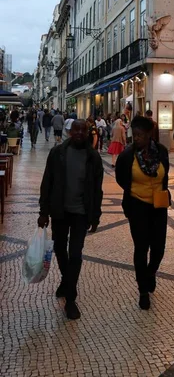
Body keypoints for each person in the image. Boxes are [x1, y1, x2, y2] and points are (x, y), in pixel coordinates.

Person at [38, 120, 103, 320]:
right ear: (69, 131)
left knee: (75, 254)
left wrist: (96, 215)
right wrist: (43, 211)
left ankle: (71, 298)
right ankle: (67, 282)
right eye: (76, 129)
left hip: (81, 213)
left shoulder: (93, 157)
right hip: (60, 210)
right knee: (59, 249)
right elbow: (47, 182)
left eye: (83, 130)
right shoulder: (57, 153)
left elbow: (97, 189)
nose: (80, 133)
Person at [115, 116, 170, 311]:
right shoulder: (127, 156)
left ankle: (151, 272)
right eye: (134, 135)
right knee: (141, 248)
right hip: (137, 206)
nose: (136, 138)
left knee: (159, 248)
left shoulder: (161, 152)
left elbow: (165, 175)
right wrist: (135, 191)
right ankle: (143, 291)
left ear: (149, 135)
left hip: (159, 205)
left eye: (140, 135)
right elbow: (121, 178)